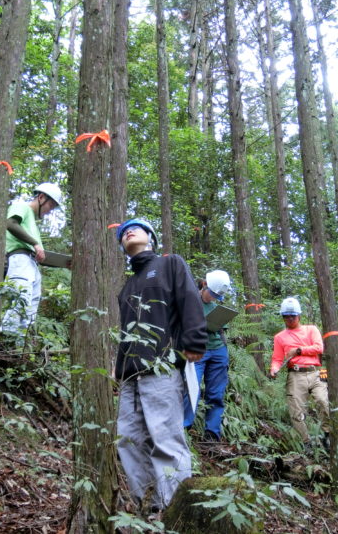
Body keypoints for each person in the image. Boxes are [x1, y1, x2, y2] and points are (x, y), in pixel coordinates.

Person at [114, 218, 207, 513]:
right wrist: (118, 368)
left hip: (161, 367)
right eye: (123, 232)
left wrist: (194, 341)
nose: (128, 231)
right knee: (128, 441)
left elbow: (190, 300)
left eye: (135, 227)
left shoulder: (170, 264)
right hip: (130, 376)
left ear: (151, 237)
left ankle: (175, 512)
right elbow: (124, 331)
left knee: (165, 440)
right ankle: (150, 510)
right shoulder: (127, 286)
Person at [0, 182, 63, 340]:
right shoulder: (21, 206)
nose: (49, 211)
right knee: (21, 298)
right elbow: (10, 223)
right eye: (51, 206)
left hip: (31, 264)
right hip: (19, 259)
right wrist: (34, 243)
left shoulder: (33, 223)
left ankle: (19, 342)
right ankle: (6, 338)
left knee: (31, 304)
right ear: (41, 198)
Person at [269, 297, 330, 449]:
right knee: (295, 410)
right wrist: (274, 368)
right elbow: (277, 358)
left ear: (299, 316)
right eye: (286, 316)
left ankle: (327, 435)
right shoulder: (279, 337)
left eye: (293, 316)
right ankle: (306, 442)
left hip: (316, 372)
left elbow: (319, 348)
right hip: (295, 374)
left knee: (323, 402)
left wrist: (298, 350)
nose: (289, 319)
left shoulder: (311, 330)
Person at [183, 270, 232, 442]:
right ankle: (184, 429)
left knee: (216, 394)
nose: (213, 297)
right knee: (192, 390)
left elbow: (221, 331)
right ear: (204, 285)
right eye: (212, 293)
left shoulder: (216, 307)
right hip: (197, 351)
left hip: (218, 350)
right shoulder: (189, 302)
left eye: (216, 296)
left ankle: (212, 434)